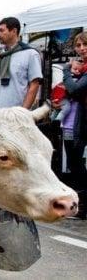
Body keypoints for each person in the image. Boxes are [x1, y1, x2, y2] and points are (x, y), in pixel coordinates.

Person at [56, 31, 87, 219]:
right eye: (79, 45)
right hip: (76, 121)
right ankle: (81, 207)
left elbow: (75, 89)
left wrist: (66, 71)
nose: (82, 49)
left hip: (81, 122)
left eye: (85, 45)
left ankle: (83, 208)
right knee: (75, 163)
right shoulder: (82, 70)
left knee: (77, 164)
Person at [0, 17, 42, 109]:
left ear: (14, 31)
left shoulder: (30, 54)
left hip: (15, 114)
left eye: (1, 30)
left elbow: (34, 85)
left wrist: (23, 112)